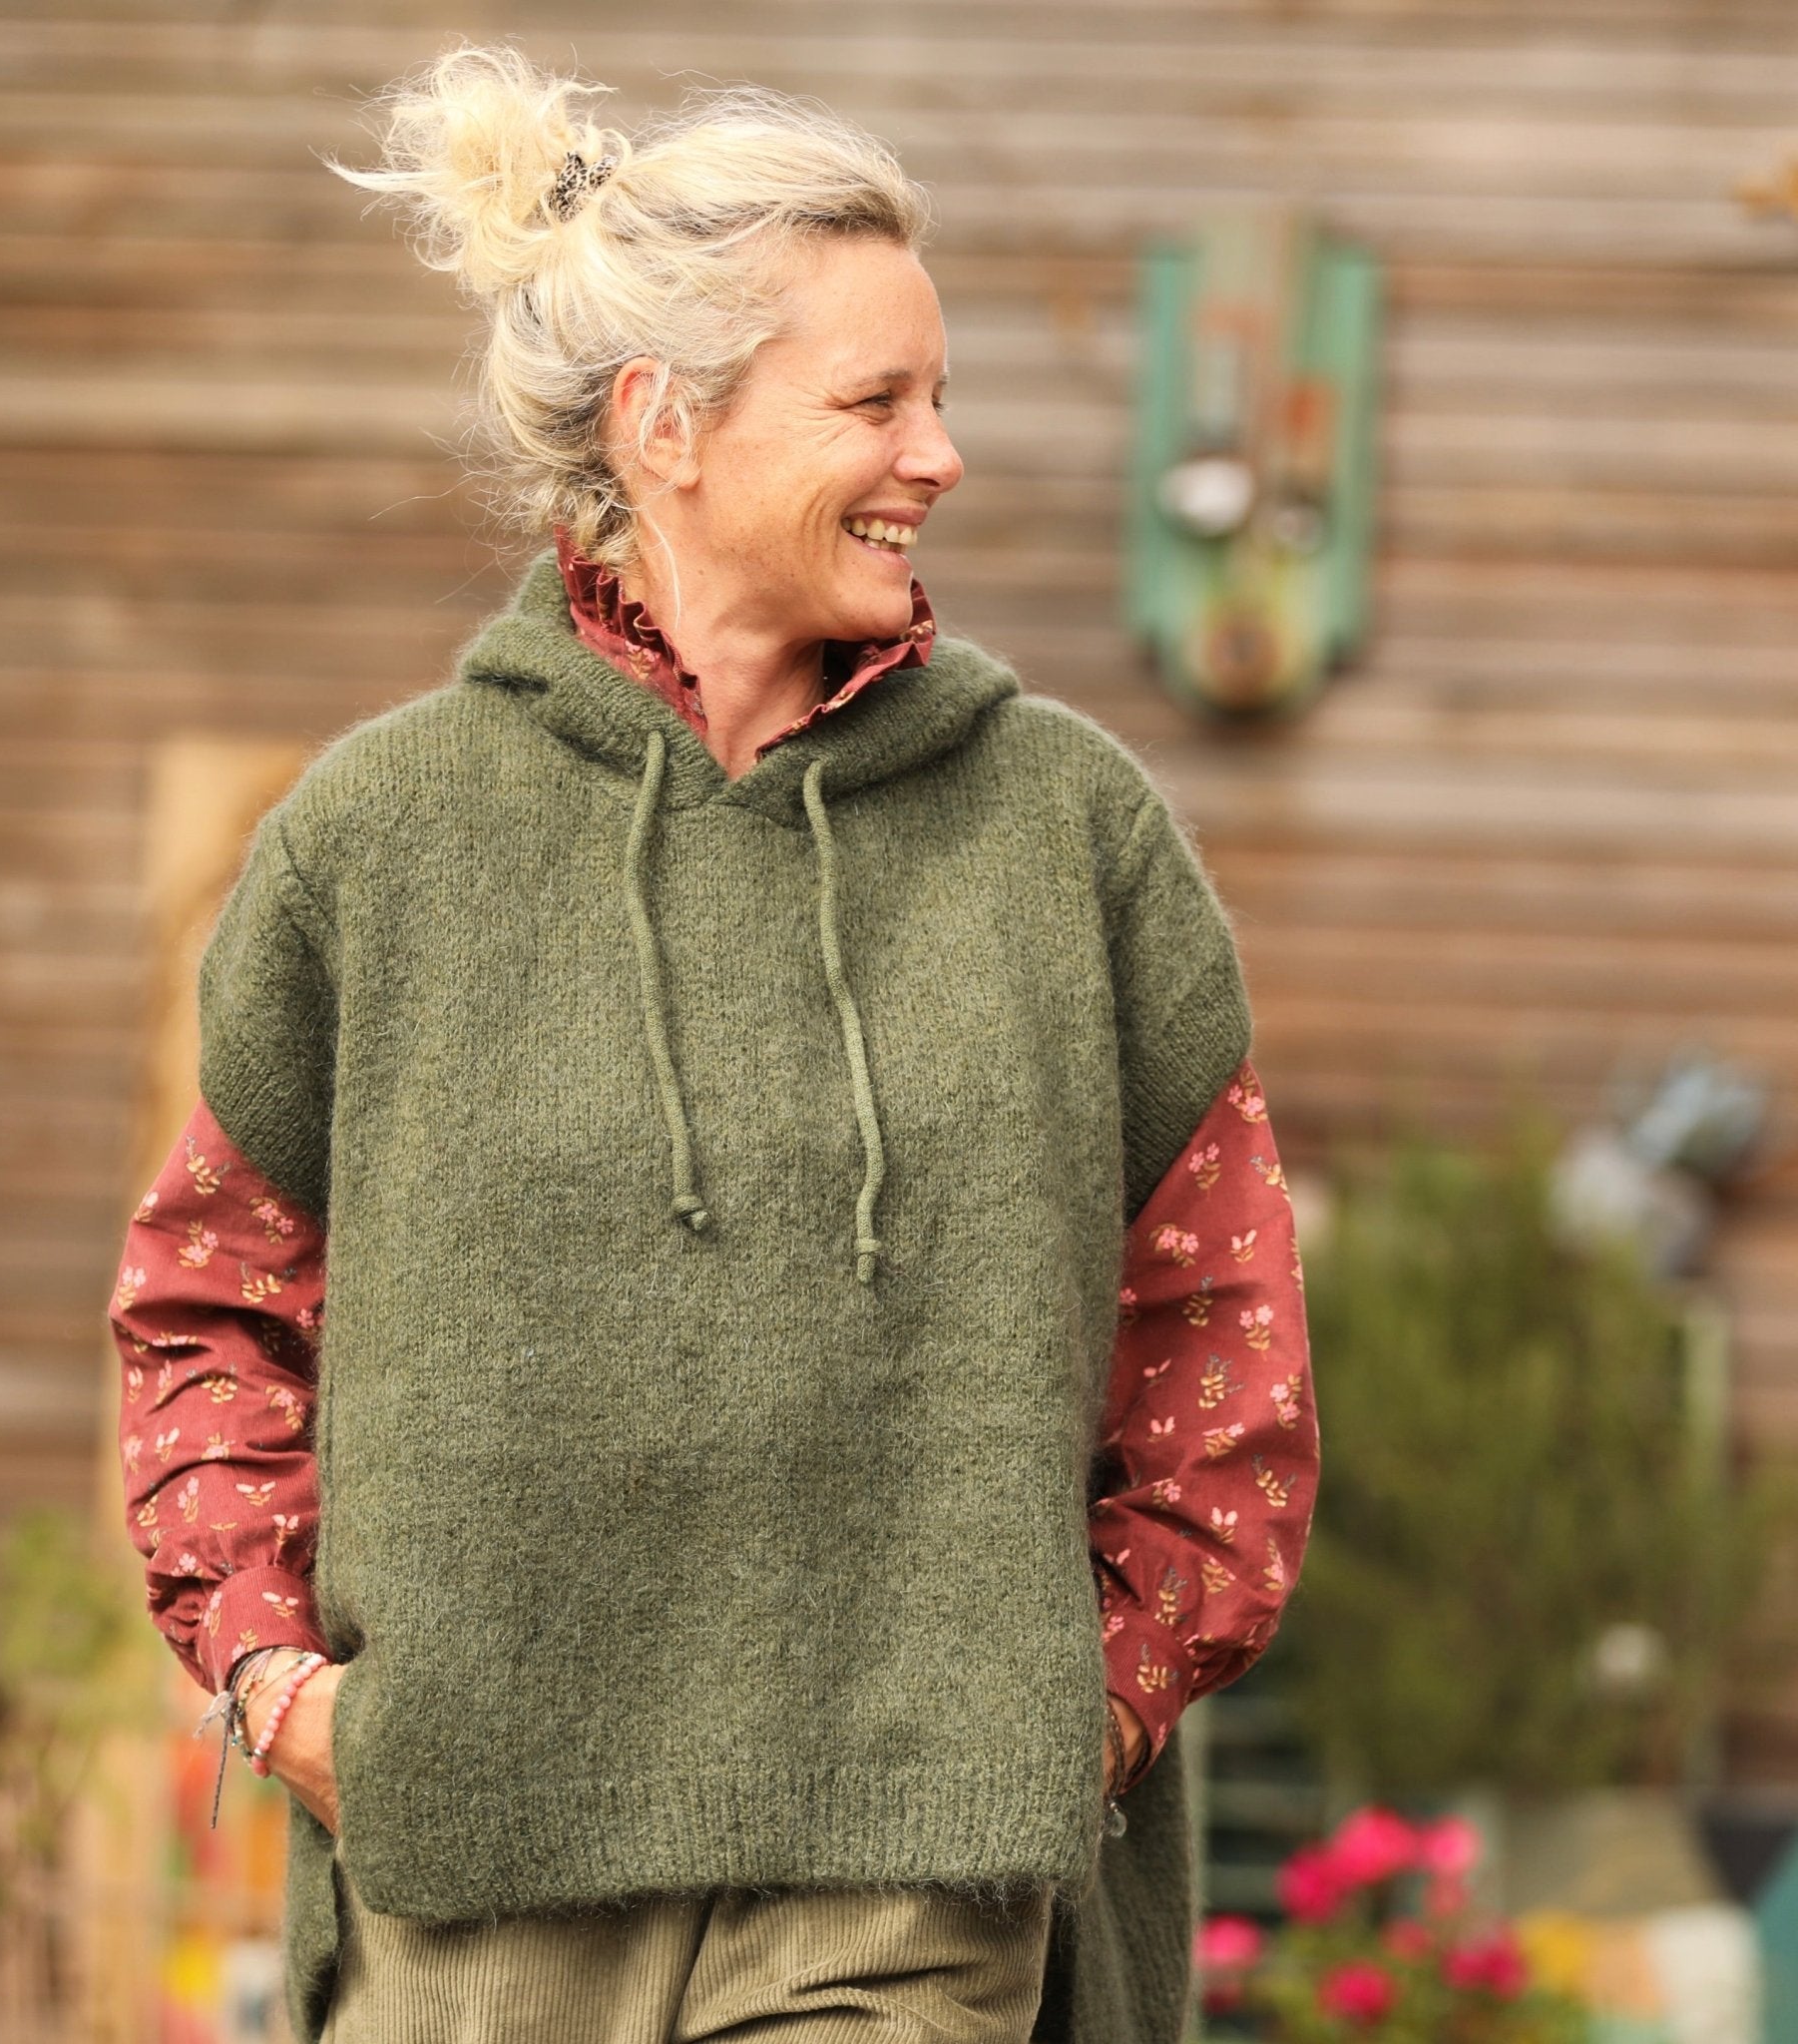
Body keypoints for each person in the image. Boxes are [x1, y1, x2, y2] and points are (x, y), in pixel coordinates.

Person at [109, 42, 1317, 2044]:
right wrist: (280, 1685)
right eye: (875, 401)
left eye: (940, 395)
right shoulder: (378, 842)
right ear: (665, 423)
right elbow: (208, 1308)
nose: (941, 455)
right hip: (469, 1876)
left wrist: (1081, 1704)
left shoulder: (1071, 839)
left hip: (912, 1878)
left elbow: (1221, 1336)